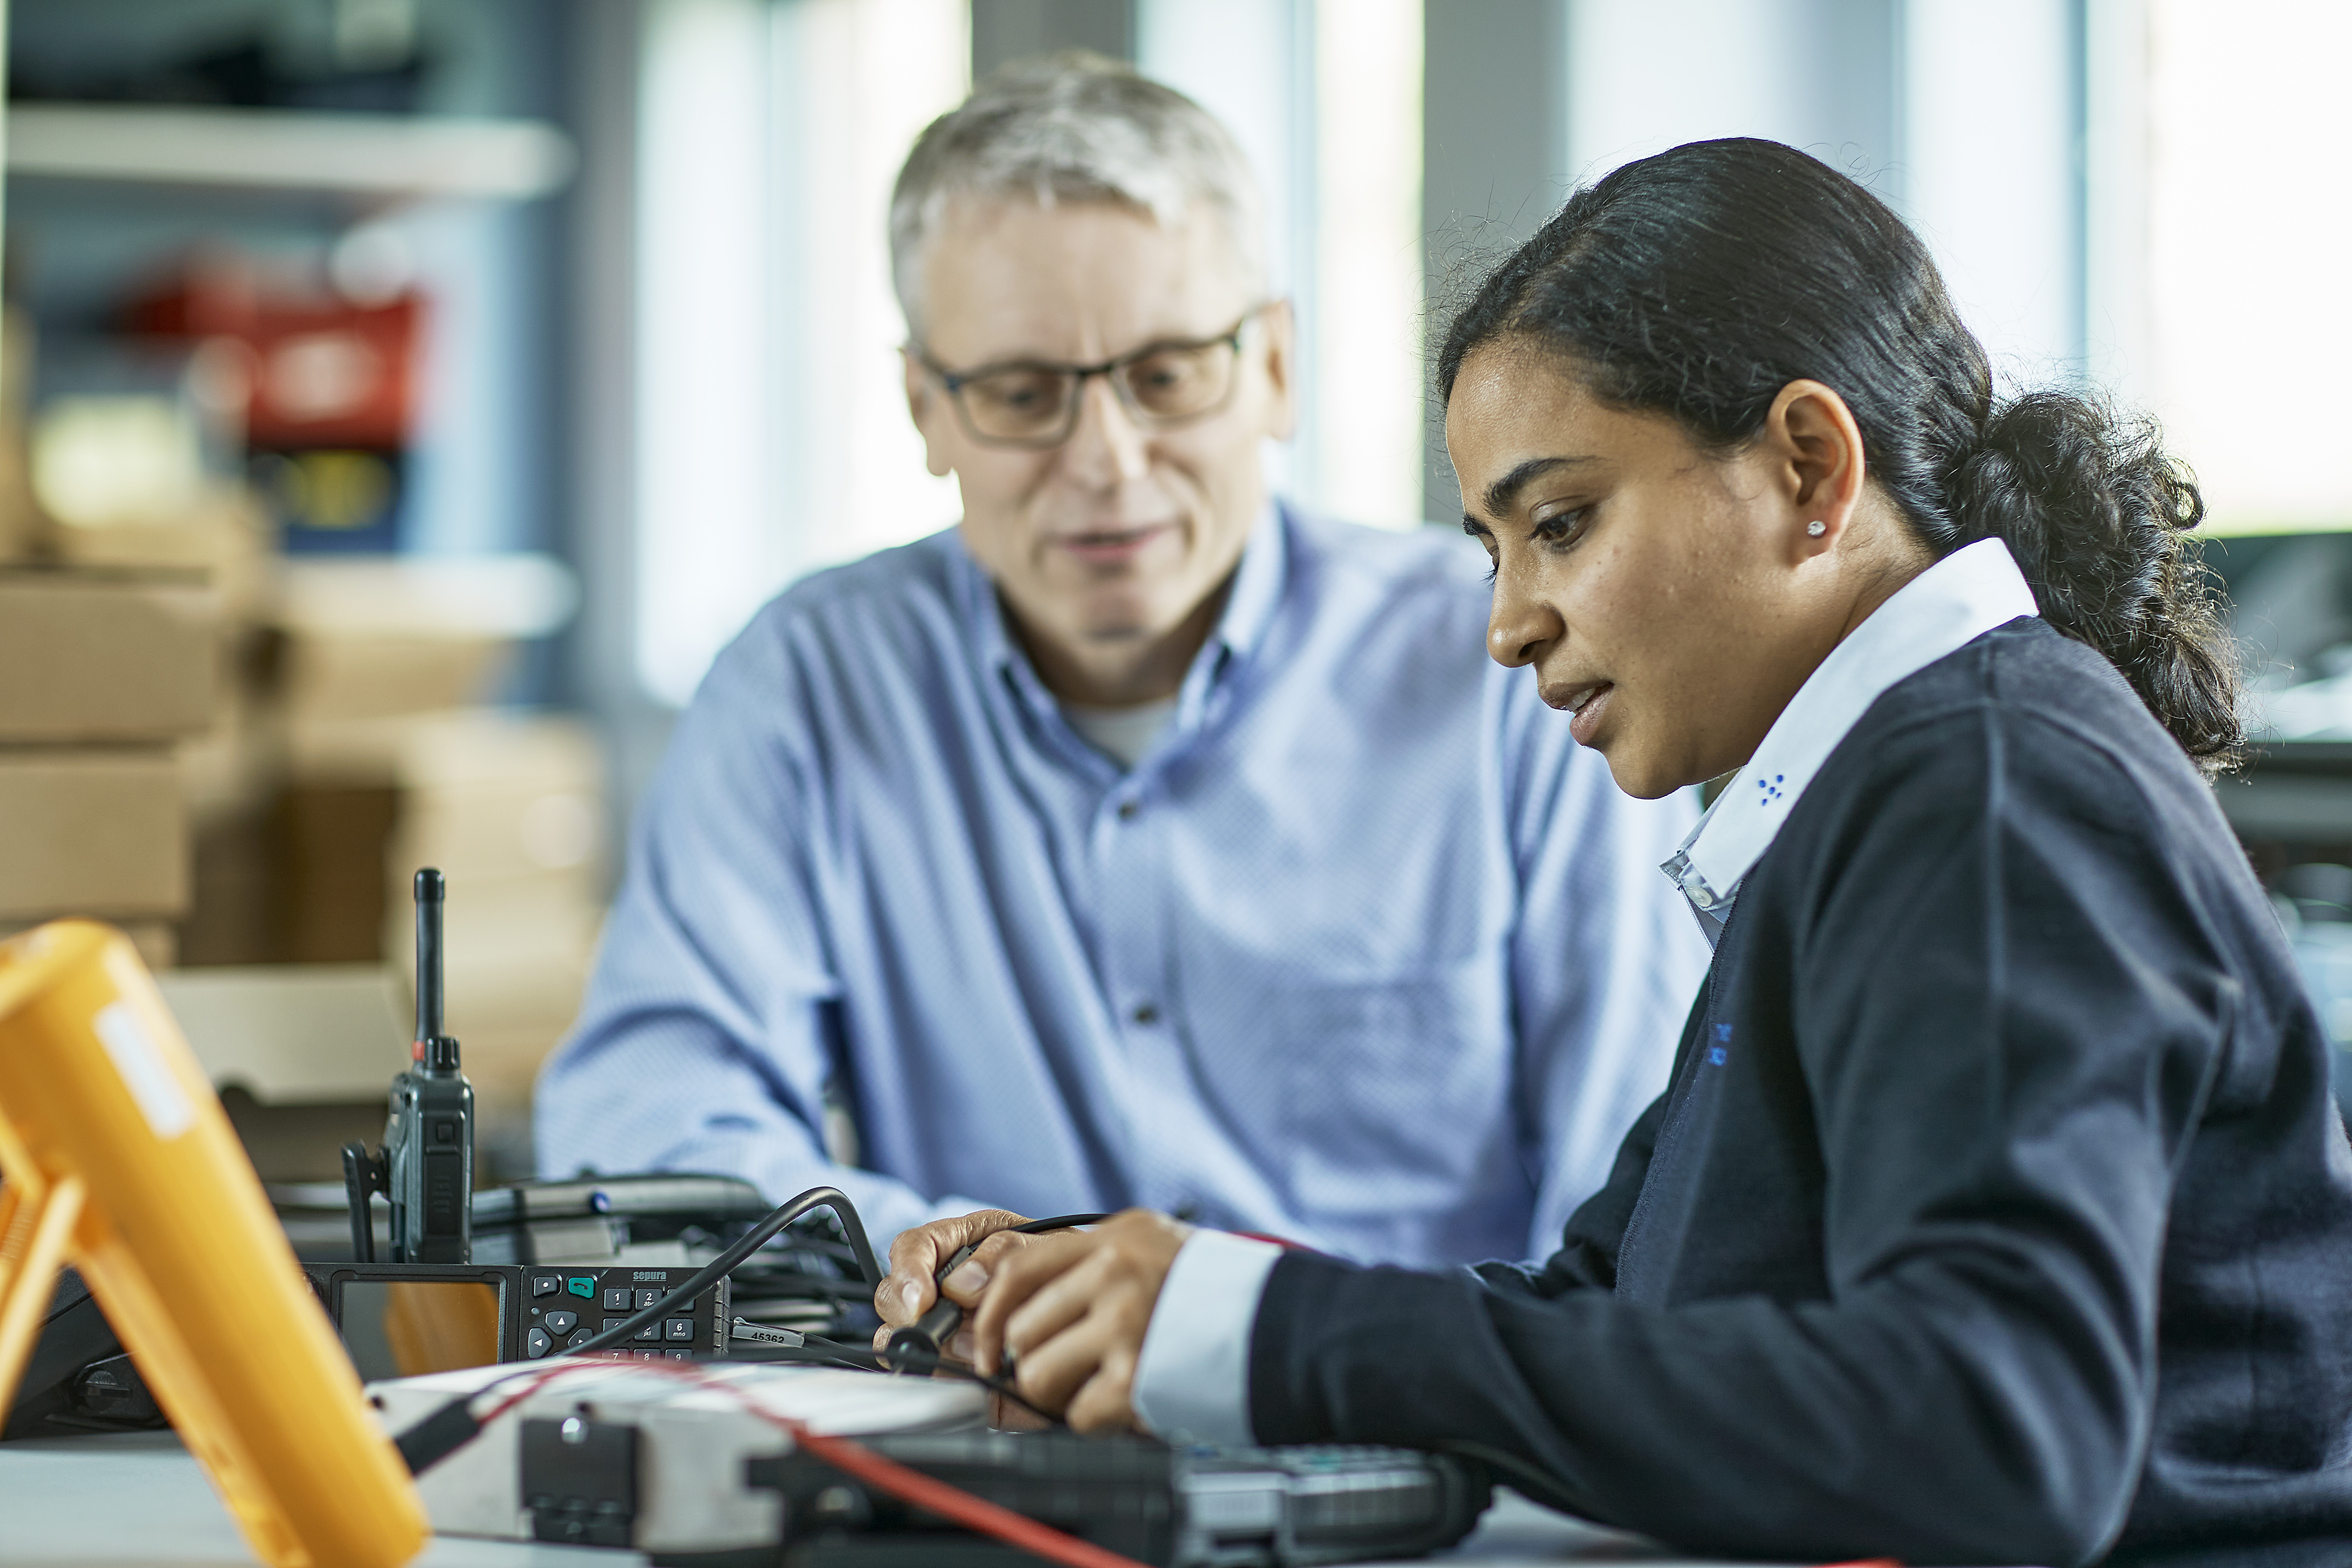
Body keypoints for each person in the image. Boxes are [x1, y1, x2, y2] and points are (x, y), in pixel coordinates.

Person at [876, 138, 2352, 1566]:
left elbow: (1995, 1432)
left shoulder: (1987, 793)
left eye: (1562, 524)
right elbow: (1609, 1307)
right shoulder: (1860, 797)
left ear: (1808, 468)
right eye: (1492, 549)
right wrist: (1161, 1320)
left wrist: (1257, 1338)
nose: (1508, 621)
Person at [533, 54, 1708, 1269]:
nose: (1106, 459)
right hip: (977, 1417)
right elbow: (646, 1117)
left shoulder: (1514, 669)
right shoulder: (808, 686)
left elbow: (1654, 1172)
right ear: (926, 410)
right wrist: (946, 1254)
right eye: (1023, 393)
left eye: (1165, 376)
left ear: (1274, 368)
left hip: (1414, 1424)